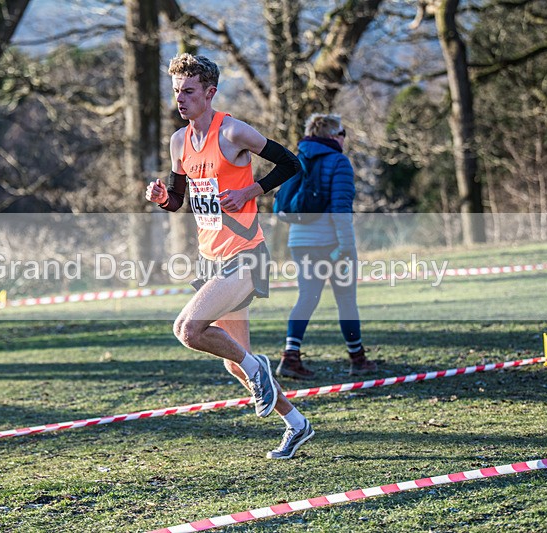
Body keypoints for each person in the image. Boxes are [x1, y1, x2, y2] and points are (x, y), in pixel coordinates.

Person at [145, 53, 314, 460]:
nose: (180, 100)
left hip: (246, 256)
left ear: (209, 93)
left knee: (188, 329)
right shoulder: (179, 142)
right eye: (176, 92)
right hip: (211, 261)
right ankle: (296, 423)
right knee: (235, 363)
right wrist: (163, 198)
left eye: (188, 91)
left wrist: (250, 192)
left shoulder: (234, 132)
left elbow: (293, 163)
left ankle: (260, 370)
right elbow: (180, 201)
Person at [276, 113, 379, 380]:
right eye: (343, 133)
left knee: (306, 299)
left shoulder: (296, 159)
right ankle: (357, 359)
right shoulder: (339, 162)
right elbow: (340, 209)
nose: (345, 138)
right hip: (332, 242)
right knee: (346, 300)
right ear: (333, 136)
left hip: (299, 242)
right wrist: (346, 245)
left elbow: (281, 205)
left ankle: (290, 357)